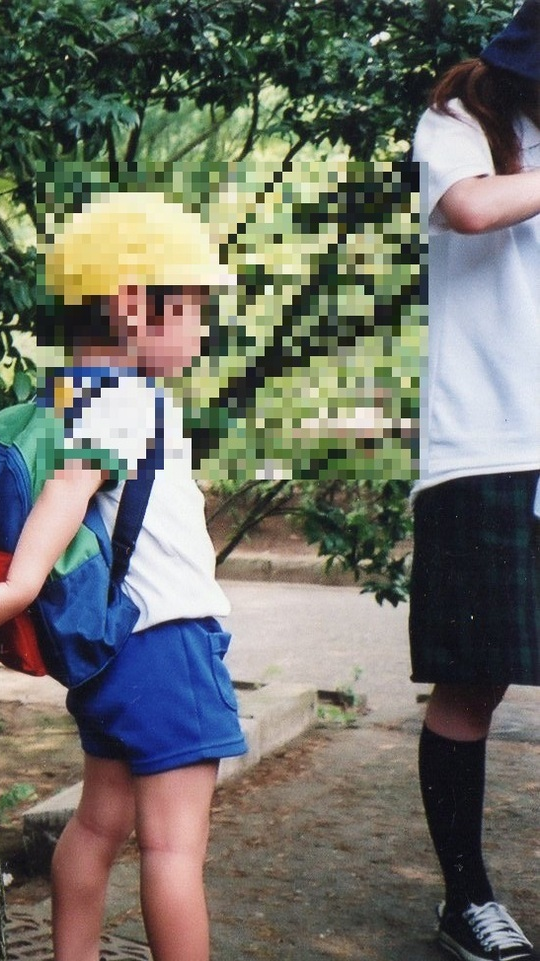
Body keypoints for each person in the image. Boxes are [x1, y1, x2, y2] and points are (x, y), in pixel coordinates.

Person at [0, 191, 247, 961]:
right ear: (133, 305)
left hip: (117, 654)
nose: (200, 325)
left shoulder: (74, 392)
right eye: (190, 305)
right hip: (167, 648)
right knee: (171, 849)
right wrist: (19, 586)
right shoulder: (124, 398)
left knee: (97, 825)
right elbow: (68, 488)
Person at [410, 3, 540, 959]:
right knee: (471, 681)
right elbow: (471, 207)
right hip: (486, 446)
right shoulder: (461, 123)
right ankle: (466, 898)